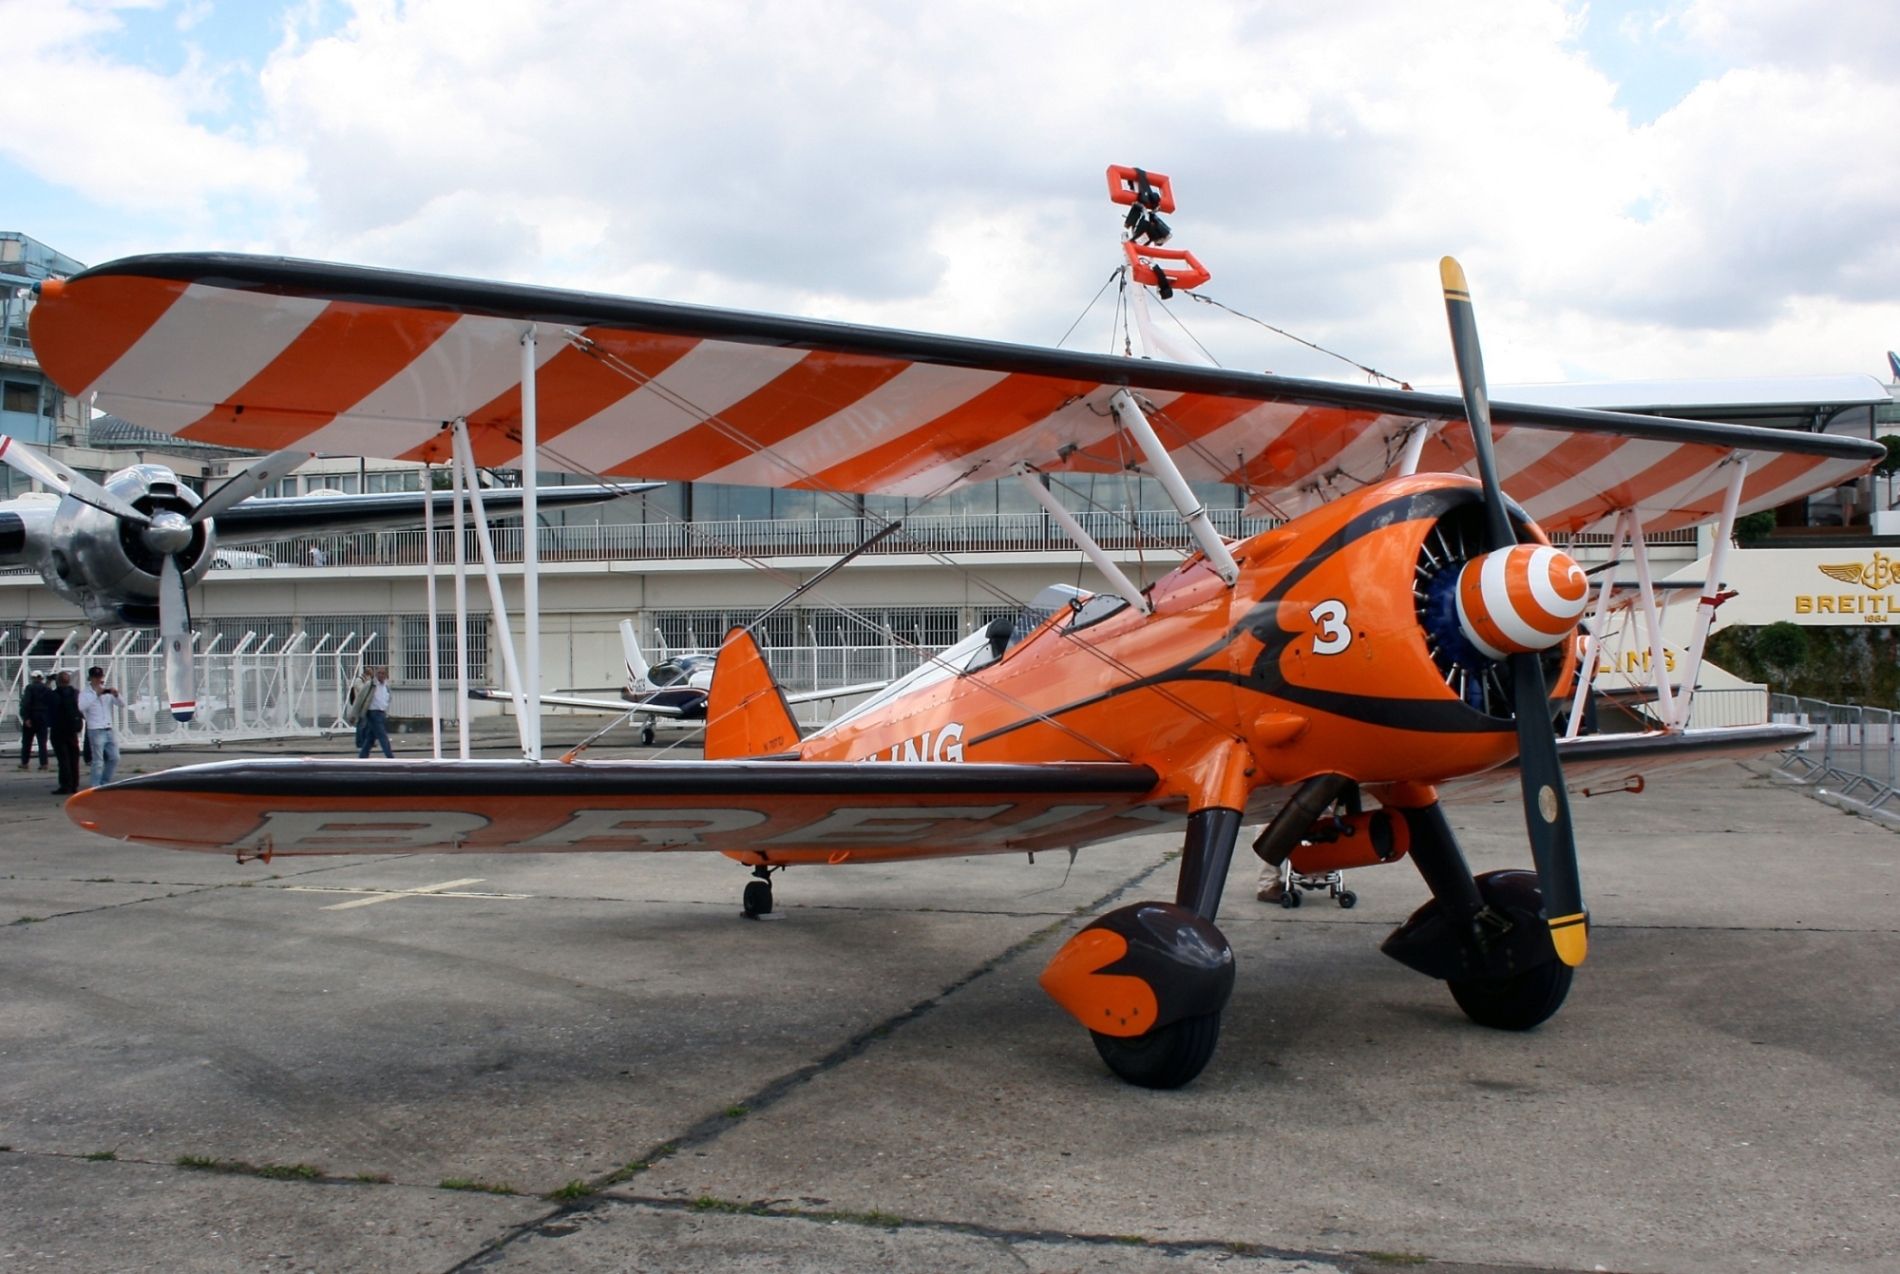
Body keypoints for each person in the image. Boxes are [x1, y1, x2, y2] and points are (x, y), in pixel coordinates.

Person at [77, 665, 124, 789]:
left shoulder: (106, 692)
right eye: (95, 677)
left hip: (108, 728)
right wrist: (95, 695)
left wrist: (116, 694)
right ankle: (95, 785)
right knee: (98, 760)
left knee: (114, 757)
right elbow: (81, 707)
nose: (98, 680)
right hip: (96, 729)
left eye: (100, 677)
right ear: (91, 678)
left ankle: (104, 782)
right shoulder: (85, 693)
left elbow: (122, 704)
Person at [49, 671, 82, 795]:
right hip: (72, 729)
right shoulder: (75, 694)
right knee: (74, 758)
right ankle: (74, 784)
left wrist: (49, 681)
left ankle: (65, 784)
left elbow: (44, 698)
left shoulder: (54, 694)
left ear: (57, 682)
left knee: (63, 759)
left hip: (58, 729)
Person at [357, 666, 393, 759]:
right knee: (382, 736)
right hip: (372, 713)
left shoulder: (386, 686)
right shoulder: (370, 685)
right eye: (379, 673)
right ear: (376, 674)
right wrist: (354, 714)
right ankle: (390, 757)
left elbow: (388, 698)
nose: (381, 675)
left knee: (371, 737)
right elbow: (360, 699)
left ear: (386, 675)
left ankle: (363, 756)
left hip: (381, 713)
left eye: (383, 673)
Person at [18, 671, 51, 770]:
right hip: (43, 717)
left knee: (27, 741)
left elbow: (26, 703)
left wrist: (26, 717)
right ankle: (43, 763)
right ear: (41, 678)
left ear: (33, 678)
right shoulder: (47, 689)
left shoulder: (30, 688)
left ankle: (24, 762)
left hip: (32, 716)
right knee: (42, 742)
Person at [345, 667, 375, 753]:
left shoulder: (367, 681)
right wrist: (367, 683)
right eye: (371, 673)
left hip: (366, 706)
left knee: (367, 725)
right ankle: (359, 742)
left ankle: (367, 741)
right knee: (361, 724)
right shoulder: (359, 680)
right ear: (367, 673)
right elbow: (362, 691)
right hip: (360, 706)